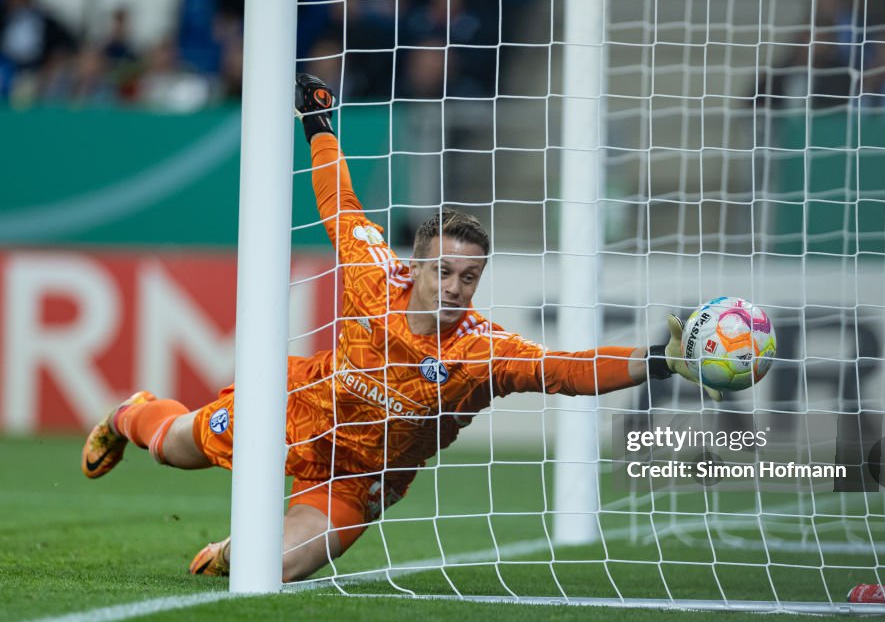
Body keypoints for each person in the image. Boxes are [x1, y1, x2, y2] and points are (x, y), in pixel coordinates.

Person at [81, 74, 717, 582]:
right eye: (443, 271)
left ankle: (237, 549)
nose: (455, 287)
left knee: (263, 569)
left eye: (469, 277)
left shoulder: (482, 351)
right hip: (297, 409)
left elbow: (566, 370)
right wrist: (319, 124)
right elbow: (341, 204)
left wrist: (663, 358)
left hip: (362, 478)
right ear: (417, 267)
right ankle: (127, 413)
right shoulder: (373, 275)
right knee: (168, 444)